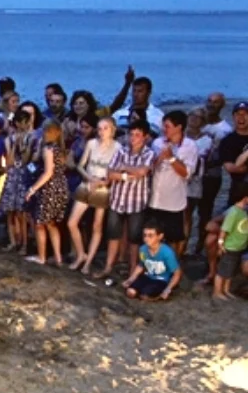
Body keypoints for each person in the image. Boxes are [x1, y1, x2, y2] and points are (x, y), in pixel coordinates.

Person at [96, 120, 156, 279]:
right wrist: (126, 174)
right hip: (118, 199)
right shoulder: (122, 151)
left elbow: (142, 172)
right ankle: (108, 267)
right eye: (131, 134)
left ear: (145, 137)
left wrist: (123, 168)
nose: (133, 138)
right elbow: (110, 173)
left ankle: (132, 271)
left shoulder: (149, 153)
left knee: (134, 238)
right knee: (113, 235)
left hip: (137, 202)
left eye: (137, 135)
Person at [67, 117, 120, 274]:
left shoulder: (117, 147)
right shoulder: (91, 144)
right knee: (72, 222)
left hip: (103, 188)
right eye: (100, 128)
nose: (102, 132)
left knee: (97, 225)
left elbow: (115, 172)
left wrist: (102, 182)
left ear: (113, 130)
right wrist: (90, 179)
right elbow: (80, 165)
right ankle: (81, 253)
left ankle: (88, 261)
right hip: (87, 184)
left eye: (105, 128)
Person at [148, 110, 199, 255]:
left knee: (173, 237)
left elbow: (187, 173)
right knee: (152, 234)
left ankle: (172, 265)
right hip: (155, 199)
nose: (164, 129)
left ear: (179, 127)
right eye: (163, 126)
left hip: (173, 201)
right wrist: (158, 159)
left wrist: (171, 158)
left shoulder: (190, 146)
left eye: (167, 126)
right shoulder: (158, 142)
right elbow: (151, 167)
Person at [24, 120, 70, 266]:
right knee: (51, 223)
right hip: (61, 187)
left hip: (49, 189)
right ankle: (58, 257)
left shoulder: (49, 149)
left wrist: (33, 189)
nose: (44, 134)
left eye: (46, 131)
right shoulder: (60, 150)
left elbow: (48, 172)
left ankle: (42, 256)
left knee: (40, 223)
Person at [197, 92, 233, 254]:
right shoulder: (199, 124)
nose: (211, 105)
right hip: (193, 175)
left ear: (222, 105)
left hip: (211, 176)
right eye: (209, 101)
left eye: (216, 102)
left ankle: (201, 246)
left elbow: (224, 157)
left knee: (205, 211)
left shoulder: (226, 129)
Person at [0, 109, 37, 253]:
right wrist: (15, 146)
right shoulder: (9, 139)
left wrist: (24, 146)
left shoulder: (32, 138)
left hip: (24, 175)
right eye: (21, 122)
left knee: (22, 213)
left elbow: (27, 159)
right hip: (12, 175)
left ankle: (25, 244)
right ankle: (13, 241)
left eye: (26, 122)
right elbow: (9, 161)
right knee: (10, 212)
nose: (24, 125)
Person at [122, 219, 181, 300]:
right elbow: (141, 265)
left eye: (150, 235)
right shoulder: (143, 249)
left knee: (145, 295)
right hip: (148, 276)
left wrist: (168, 289)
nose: (146, 238)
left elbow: (177, 273)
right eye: (145, 235)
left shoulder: (167, 252)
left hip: (161, 280)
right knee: (130, 292)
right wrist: (130, 279)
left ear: (160, 236)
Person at [208, 184, 248, 300]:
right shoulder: (234, 213)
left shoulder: (242, 212)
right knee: (222, 271)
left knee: (229, 271)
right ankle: (217, 291)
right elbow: (224, 229)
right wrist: (220, 243)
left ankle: (225, 290)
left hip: (238, 246)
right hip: (230, 246)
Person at [184, 108, 214, 251]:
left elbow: (199, 159)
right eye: (192, 115)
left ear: (203, 122)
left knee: (187, 214)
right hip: (176, 180)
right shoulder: (180, 136)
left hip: (194, 181)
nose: (194, 119)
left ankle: (183, 247)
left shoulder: (207, 140)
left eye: (199, 117)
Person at [218, 101, 248, 208]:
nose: (241, 118)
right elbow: (230, 167)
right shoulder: (227, 141)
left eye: (245, 114)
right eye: (238, 114)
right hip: (238, 190)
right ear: (233, 117)